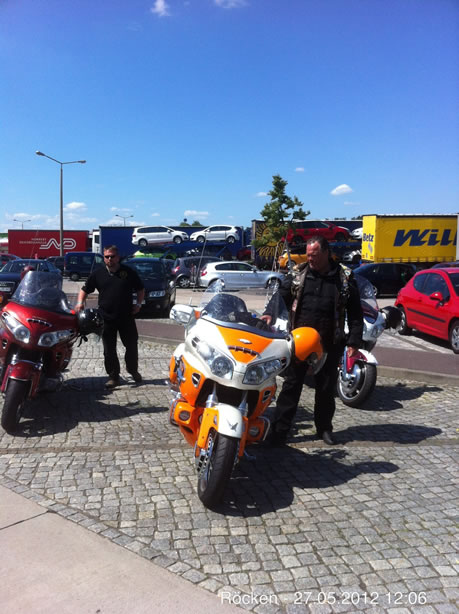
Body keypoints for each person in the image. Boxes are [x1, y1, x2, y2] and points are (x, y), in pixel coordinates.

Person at [267, 235, 363, 446]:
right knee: (291, 387)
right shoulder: (298, 274)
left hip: (329, 342)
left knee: (326, 390)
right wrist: (268, 313)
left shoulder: (344, 278)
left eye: (314, 255)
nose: (310, 259)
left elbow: (356, 312)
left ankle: (324, 428)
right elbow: (280, 297)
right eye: (308, 255)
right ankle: (279, 432)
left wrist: (354, 341)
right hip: (299, 342)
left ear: (327, 253)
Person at [75, 245, 145, 389]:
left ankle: (132, 370)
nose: (109, 259)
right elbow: (85, 289)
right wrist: (80, 303)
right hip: (106, 317)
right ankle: (113, 377)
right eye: (106, 257)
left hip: (126, 316)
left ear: (117, 257)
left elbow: (140, 289)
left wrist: (138, 304)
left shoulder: (128, 272)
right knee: (109, 350)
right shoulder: (98, 274)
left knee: (131, 345)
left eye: (112, 256)